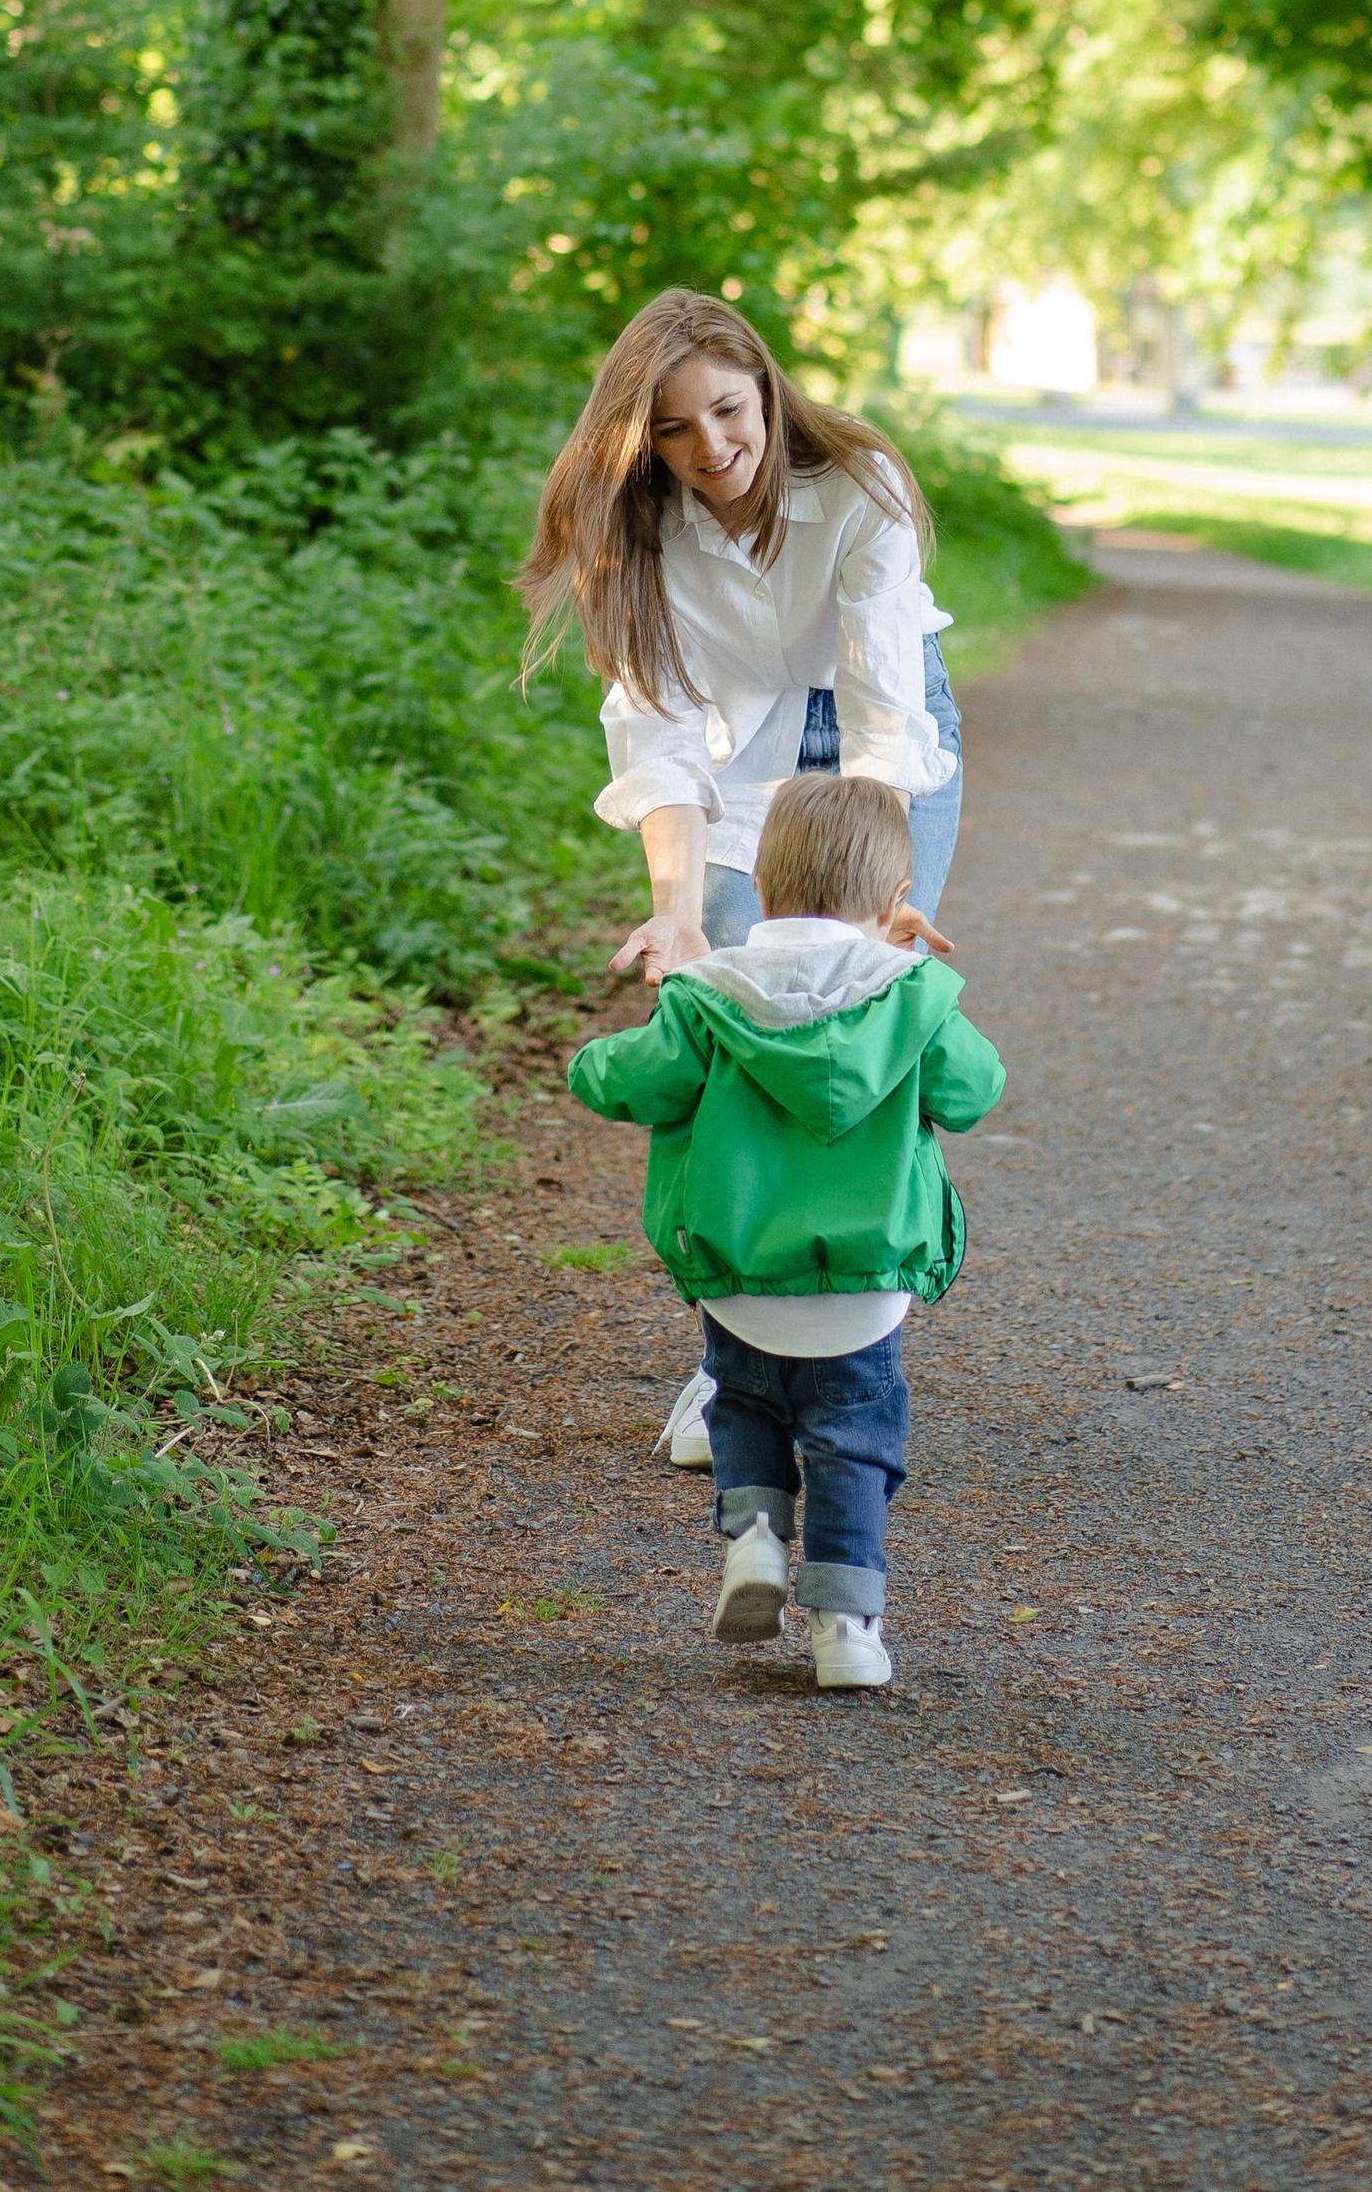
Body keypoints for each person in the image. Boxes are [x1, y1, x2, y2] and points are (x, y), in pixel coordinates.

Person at [519, 288, 966, 1465]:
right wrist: (676, 915)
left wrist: (879, 900)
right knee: (730, 1034)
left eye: (728, 409)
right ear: (639, 441)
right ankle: (731, 1368)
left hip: (881, 736)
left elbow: (877, 712)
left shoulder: (861, 484)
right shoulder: (633, 532)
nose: (711, 448)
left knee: (860, 1014)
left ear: (766, 386)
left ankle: (853, 1344)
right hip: (730, 748)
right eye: (673, 429)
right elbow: (659, 739)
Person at [564, 771, 1005, 1692]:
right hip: (866, 1283)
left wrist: (593, 1052)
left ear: (762, 891)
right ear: (895, 904)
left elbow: (623, 1080)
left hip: (737, 1274)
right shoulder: (913, 994)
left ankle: (755, 1538)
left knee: (745, 1402)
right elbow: (973, 1093)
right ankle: (846, 1626)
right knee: (854, 1443)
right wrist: (918, 977)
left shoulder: (706, 995)